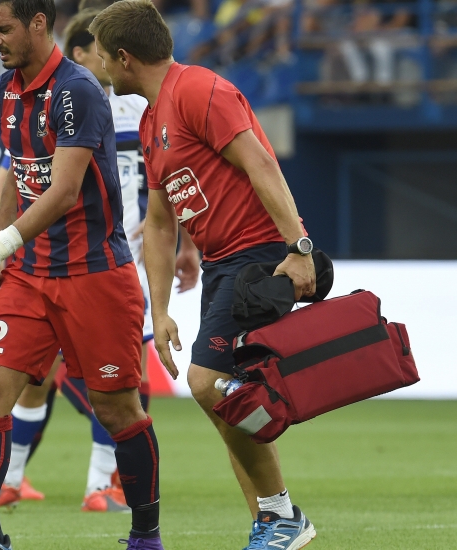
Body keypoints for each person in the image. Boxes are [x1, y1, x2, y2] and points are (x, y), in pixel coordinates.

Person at [0, 0, 165, 548]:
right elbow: (20, 182)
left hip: (94, 275)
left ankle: (145, 536)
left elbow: (64, 190)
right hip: (29, 273)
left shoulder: (79, 91)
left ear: (38, 24)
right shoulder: (5, 92)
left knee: (117, 409)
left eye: (3, 29)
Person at [90, 2, 317, 549]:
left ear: (123, 58)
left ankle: (282, 510)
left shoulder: (199, 90)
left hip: (260, 254)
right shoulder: (150, 120)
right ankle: (272, 523)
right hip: (220, 264)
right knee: (223, 404)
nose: (98, 67)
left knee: (206, 383)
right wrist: (161, 308)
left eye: (101, 57)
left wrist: (300, 247)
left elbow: (261, 163)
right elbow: (161, 223)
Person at [0, 7, 200, 514]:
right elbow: (7, 171)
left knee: (106, 380)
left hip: (123, 252)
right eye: (90, 51)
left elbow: (170, 175)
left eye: (102, 53)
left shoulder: (136, 109)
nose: (95, 61)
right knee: (48, 378)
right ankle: (57, 481)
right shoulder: (39, 102)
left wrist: (188, 242)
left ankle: (91, 482)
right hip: (72, 254)